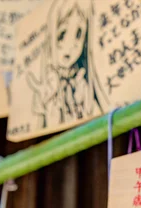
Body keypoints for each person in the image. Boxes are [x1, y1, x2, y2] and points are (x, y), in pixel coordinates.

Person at [27, 0, 98, 129]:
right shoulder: (49, 80)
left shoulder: (81, 80)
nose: (69, 46)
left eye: (78, 35)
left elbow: (88, 108)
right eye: (62, 35)